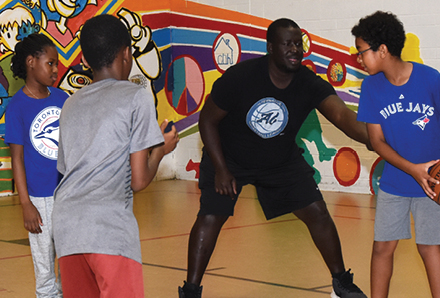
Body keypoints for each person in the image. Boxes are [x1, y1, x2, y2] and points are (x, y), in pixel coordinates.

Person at [179, 18, 371, 298]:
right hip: (229, 157)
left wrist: (377, 138)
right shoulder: (241, 76)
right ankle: (191, 290)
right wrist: (220, 169)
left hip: (279, 160)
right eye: (287, 44)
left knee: (317, 212)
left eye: (298, 44)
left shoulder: (307, 82)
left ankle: (341, 282)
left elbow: (341, 115)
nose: (295, 50)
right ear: (270, 48)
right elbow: (207, 121)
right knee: (211, 216)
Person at [52, 14, 179, 298]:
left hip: (67, 229)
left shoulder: (71, 104)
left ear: (85, 60)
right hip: (108, 230)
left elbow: (66, 170)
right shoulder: (136, 96)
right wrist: (160, 148)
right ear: (127, 54)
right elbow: (139, 179)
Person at [352, 11, 440, 298]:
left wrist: (429, 173)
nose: (358, 59)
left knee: (430, 248)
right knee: (382, 247)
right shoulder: (371, 87)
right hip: (394, 183)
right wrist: (413, 169)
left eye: (361, 52)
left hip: (431, 183)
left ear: (383, 50)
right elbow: (376, 141)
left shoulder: (430, 80)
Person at [5, 33, 68, 298]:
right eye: (50, 63)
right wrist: (26, 204)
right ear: (31, 62)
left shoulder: (63, 98)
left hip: (67, 193)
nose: (56, 70)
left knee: (68, 259)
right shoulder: (17, 107)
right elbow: (16, 159)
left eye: (56, 64)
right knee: (45, 268)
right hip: (40, 199)